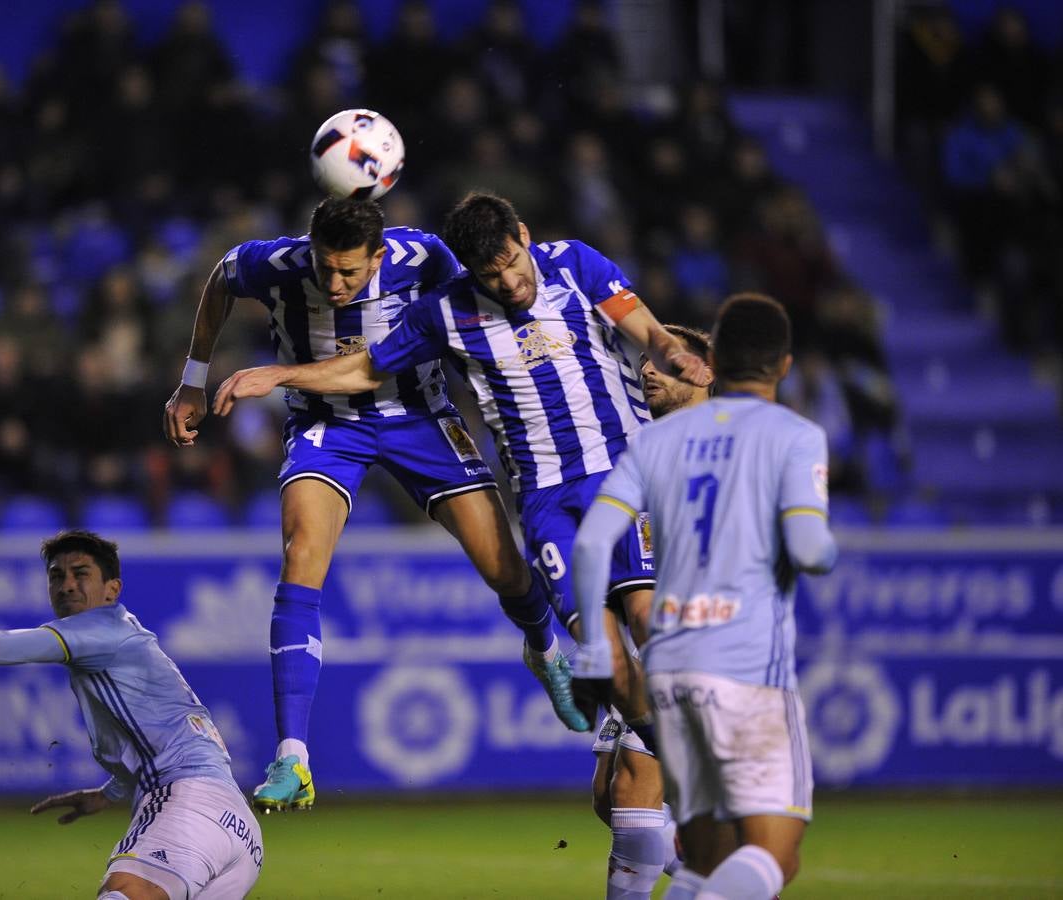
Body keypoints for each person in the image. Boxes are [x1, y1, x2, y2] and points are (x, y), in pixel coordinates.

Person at [213, 194, 710, 873]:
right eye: (490, 272)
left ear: (524, 236)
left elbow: (647, 328)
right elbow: (365, 367)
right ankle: (673, 765)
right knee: (604, 663)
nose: (507, 281)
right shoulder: (445, 309)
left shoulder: (574, 263)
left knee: (640, 620)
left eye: (510, 262)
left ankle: (696, 776)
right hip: (544, 501)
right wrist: (277, 376)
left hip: (616, 479)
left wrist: (675, 352)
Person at [163, 197, 583, 814]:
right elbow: (223, 277)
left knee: (506, 570)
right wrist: (193, 379)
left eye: (350, 271)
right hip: (326, 426)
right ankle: (292, 757)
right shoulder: (276, 264)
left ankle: (544, 651)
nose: (335, 284)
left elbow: (470, 314)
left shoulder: (424, 256)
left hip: (421, 418)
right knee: (301, 556)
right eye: (326, 268)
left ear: (379, 256)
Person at [571, 294, 837, 900]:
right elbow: (811, 549)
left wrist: (596, 651)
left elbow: (590, 545)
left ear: (711, 365)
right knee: (770, 854)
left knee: (666, 830)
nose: (648, 370)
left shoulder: (648, 448)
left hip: (668, 665)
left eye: (662, 362)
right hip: (743, 662)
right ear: (784, 365)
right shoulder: (790, 435)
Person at [0, 529, 261, 899]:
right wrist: (109, 793)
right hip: (238, 829)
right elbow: (170, 738)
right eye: (57, 576)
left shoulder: (100, 631)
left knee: (125, 892)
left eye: (81, 574)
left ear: (112, 589)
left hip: (187, 803)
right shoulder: (127, 638)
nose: (67, 585)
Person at [576, 324, 712, 900]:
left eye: (663, 361)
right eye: (645, 362)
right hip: (639, 620)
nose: (648, 370)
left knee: (635, 788)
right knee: (609, 798)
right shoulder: (641, 441)